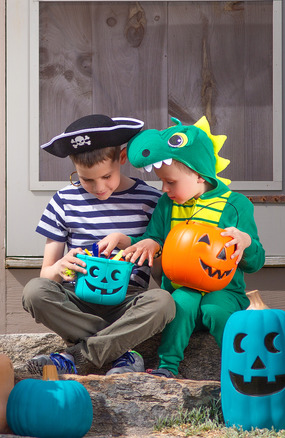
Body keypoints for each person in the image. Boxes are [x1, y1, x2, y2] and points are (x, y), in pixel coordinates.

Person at [102, 116, 265, 378]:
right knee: (179, 303)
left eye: (171, 182)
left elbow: (256, 262)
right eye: (162, 182)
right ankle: (168, 367)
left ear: (199, 175)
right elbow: (155, 241)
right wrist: (131, 242)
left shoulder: (235, 205)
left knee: (217, 310)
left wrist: (245, 243)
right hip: (182, 288)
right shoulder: (167, 205)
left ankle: (241, 370)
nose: (164, 189)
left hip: (224, 291)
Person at [22, 114, 176, 376]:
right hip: (77, 300)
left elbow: (163, 278)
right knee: (34, 292)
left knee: (164, 303)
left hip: (128, 303)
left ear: (122, 158)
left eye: (106, 176)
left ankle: (76, 357)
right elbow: (45, 275)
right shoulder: (64, 201)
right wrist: (61, 267)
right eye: (87, 179)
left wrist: (153, 249)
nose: (99, 187)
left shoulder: (151, 201)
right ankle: (120, 350)